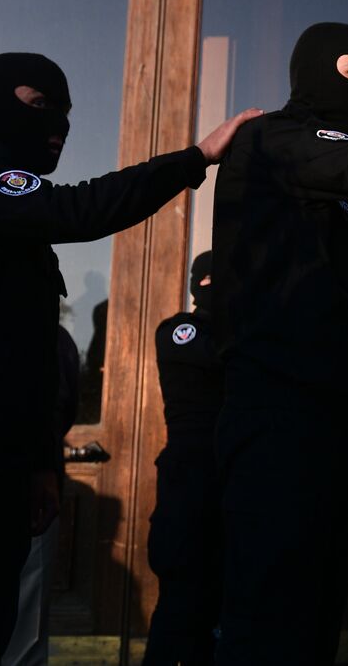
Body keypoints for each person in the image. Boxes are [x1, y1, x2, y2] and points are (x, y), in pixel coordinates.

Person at [0, 52, 257, 666]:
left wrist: (41, 463)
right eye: (39, 104)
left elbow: (24, 357)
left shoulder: (13, 225)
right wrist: (195, 158)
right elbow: (80, 210)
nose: (60, 124)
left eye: (67, 112)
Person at [209, 22, 348, 665]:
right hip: (278, 422)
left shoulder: (316, 178)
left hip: (328, 427)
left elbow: (335, 311)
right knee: (270, 617)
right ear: (317, 72)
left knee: (314, 616)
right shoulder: (275, 140)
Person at [144, 251, 223, 666]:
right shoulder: (182, 330)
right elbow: (216, 354)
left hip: (225, 483)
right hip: (189, 484)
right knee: (180, 604)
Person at [3, 326, 81, 666]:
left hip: (20, 494)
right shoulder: (47, 337)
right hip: (26, 496)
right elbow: (58, 407)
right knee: (24, 632)